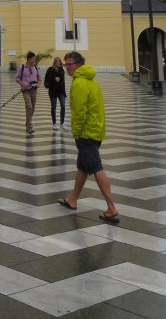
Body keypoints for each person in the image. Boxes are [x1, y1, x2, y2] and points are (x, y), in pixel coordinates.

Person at [57, 51, 120, 222]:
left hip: (86, 132)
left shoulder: (79, 83)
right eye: (65, 64)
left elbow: (79, 113)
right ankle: (73, 199)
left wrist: (76, 133)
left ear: (78, 64)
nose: (67, 67)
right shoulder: (91, 80)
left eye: (69, 64)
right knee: (83, 166)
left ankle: (112, 208)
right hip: (96, 129)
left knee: (95, 167)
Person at [16, 51, 42, 135]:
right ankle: (29, 125)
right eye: (33, 59)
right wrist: (23, 84)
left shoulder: (36, 68)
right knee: (29, 106)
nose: (34, 60)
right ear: (29, 59)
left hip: (34, 90)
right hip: (26, 90)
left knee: (33, 108)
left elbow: (40, 78)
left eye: (34, 58)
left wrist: (38, 84)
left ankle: (27, 124)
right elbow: (17, 78)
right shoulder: (22, 67)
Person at [44, 56, 66, 130]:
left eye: (59, 62)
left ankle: (62, 123)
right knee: (54, 107)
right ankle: (54, 123)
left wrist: (64, 92)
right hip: (53, 91)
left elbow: (62, 81)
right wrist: (54, 79)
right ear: (54, 62)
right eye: (57, 62)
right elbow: (47, 79)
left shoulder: (62, 70)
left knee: (63, 105)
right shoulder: (50, 70)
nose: (58, 63)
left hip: (61, 91)